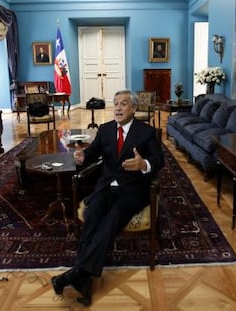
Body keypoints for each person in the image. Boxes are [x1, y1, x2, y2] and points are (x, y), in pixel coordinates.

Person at [51, 89, 165, 306]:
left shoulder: (146, 132)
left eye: (123, 104)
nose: (118, 108)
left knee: (112, 218)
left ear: (133, 108)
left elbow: (159, 160)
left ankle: (76, 274)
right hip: (105, 187)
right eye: (116, 104)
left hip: (132, 190)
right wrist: (82, 156)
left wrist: (144, 165)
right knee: (93, 215)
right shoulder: (105, 130)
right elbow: (92, 153)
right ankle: (81, 277)